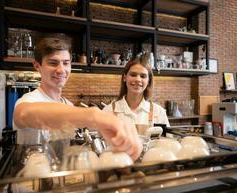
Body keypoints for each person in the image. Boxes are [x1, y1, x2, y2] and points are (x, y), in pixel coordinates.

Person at [13, 37, 142, 160]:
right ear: (37, 66)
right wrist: (94, 116)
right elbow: (24, 114)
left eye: (66, 63)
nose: (61, 69)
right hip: (32, 179)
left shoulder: (68, 105)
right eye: (53, 63)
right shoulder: (28, 100)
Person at [103, 52, 170, 134]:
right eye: (133, 75)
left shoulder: (159, 113)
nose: (138, 79)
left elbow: (167, 143)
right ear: (125, 78)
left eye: (143, 76)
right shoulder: (108, 111)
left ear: (148, 81)